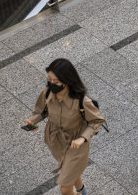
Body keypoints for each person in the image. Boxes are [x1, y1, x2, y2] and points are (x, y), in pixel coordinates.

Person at [24, 59, 105, 195]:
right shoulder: (47, 92)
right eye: (49, 79)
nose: (51, 84)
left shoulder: (82, 101)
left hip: (76, 146)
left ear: (68, 80)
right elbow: (41, 111)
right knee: (70, 172)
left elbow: (96, 121)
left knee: (65, 188)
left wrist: (82, 138)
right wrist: (33, 120)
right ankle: (82, 191)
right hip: (56, 142)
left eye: (56, 81)